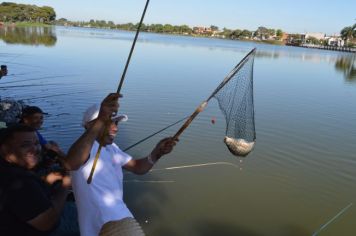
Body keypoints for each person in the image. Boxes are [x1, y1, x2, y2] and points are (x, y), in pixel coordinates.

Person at [62, 93, 177, 236]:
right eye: (109, 122)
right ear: (90, 125)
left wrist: (157, 153)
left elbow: (137, 167)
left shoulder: (111, 147)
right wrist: (101, 119)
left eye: (116, 123)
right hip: (108, 224)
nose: (115, 128)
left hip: (121, 219)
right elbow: (70, 163)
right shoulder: (86, 148)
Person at [0, 124, 70, 236]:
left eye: (37, 143)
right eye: (25, 145)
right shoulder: (19, 182)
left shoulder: (8, 169)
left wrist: (46, 181)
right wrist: (65, 185)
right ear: (5, 149)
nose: (35, 149)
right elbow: (47, 223)